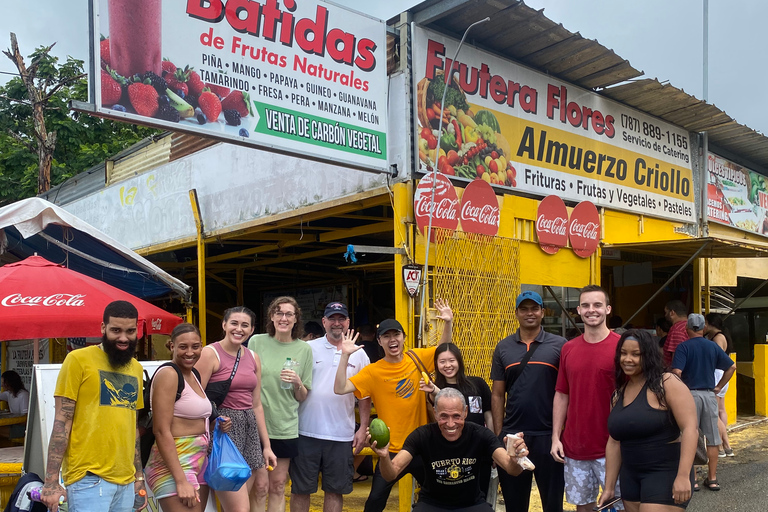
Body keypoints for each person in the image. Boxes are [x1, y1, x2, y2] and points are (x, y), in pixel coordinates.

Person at [334, 299, 454, 512]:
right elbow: (340, 388)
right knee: (374, 503)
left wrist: (448, 323)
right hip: (390, 450)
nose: (392, 340)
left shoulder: (416, 357)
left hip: (422, 445)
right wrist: (344, 355)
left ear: (403, 338)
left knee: (442, 496)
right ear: (379, 342)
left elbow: (443, 352)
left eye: (396, 335)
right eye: (386, 336)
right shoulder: (373, 371)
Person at [40, 300, 147, 512]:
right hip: (88, 479)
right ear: (103, 328)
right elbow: (62, 422)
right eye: (116, 330)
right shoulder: (78, 360)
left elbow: (132, 427)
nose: (123, 338)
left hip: (126, 483)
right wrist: (51, 482)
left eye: (130, 331)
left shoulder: (135, 368)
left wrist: (138, 476)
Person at [369, 387, 530, 512]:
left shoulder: (480, 434)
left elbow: (511, 469)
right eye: (444, 416)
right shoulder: (422, 435)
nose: (451, 424)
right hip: (432, 504)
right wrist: (384, 456)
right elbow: (392, 473)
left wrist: (516, 459)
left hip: (472, 505)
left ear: (465, 412)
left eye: (456, 416)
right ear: (435, 413)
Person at [599, 330, 698, 511]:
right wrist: (609, 486)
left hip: (664, 472)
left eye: (636, 354)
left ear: (649, 356)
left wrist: (683, 475)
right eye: (623, 353)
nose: (628, 359)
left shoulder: (667, 383)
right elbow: (614, 442)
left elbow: (690, 428)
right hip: (630, 476)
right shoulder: (618, 394)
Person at [290, 302, 371, 512]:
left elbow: (365, 395)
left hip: (341, 435)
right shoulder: (308, 348)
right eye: (332, 319)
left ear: (348, 323)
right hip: (306, 431)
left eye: (341, 319)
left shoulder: (360, 354)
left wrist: (362, 428)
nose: (337, 323)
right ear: (324, 322)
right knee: (300, 489)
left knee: (335, 490)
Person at [196, 307, 276, 512]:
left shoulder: (253, 357)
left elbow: (256, 404)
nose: (238, 329)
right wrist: (216, 420)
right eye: (234, 323)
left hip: (249, 429)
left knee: (246, 500)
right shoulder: (210, 354)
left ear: (252, 330)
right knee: (239, 508)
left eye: (245, 325)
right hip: (224, 431)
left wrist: (266, 446)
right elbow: (197, 398)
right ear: (224, 325)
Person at [491, 290, 565, 512]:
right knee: (515, 504)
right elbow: (497, 394)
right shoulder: (503, 347)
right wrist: (499, 436)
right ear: (516, 313)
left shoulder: (560, 345)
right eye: (524, 309)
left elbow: (566, 391)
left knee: (553, 504)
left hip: (549, 436)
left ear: (543, 312)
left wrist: (561, 434)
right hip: (514, 436)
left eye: (534, 308)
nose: (529, 313)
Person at [145, 323, 231, 512]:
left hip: (198, 463)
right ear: (171, 346)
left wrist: (217, 422)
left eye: (195, 346)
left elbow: (191, 414)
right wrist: (181, 480)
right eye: (183, 346)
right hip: (174, 467)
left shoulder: (193, 374)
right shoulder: (169, 374)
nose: (190, 352)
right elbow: (161, 430)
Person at [550, 285, 621, 512]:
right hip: (576, 447)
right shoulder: (568, 349)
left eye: (598, 305)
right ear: (579, 310)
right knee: (583, 507)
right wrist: (555, 437)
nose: (592, 310)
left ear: (608, 309)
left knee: (620, 506)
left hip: (615, 446)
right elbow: (562, 394)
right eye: (586, 305)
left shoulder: (623, 347)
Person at [249, 297, 313, 512]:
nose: (283, 318)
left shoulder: (304, 349)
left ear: (296, 319)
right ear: (272, 317)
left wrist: (297, 383)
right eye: (279, 313)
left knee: (277, 486)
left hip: (285, 426)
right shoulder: (257, 342)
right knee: (259, 486)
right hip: (257, 425)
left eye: (289, 314)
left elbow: (302, 396)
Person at [671, 314, 736, 492]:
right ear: (703, 328)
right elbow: (731, 367)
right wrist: (718, 386)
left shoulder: (683, 347)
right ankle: (713, 478)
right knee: (713, 439)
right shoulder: (712, 346)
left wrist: (677, 390)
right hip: (708, 394)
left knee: (689, 435)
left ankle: (694, 479)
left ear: (687, 329)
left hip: (689, 396)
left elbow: (676, 371)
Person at [430, 343, 493, 498]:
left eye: (451, 360)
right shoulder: (433, 389)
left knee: (480, 495)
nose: (447, 365)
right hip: (450, 454)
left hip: (479, 450)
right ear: (437, 365)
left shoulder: (477, 383)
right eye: (442, 361)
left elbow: (488, 414)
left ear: (459, 361)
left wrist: (492, 444)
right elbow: (442, 400)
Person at [704, 313, 734, 457]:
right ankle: (725, 445)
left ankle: (724, 445)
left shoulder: (717, 338)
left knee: (713, 414)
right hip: (722, 375)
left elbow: (716, 358)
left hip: (717, 375)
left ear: (710, 323)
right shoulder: (722, 336)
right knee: (720, 410)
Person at [663, 300, 689, 366]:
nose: (665, 315)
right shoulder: (689, 326)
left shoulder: (676, 330)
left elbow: (677, 355)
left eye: (666, 312)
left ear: (672, 313)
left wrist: (674, 374)